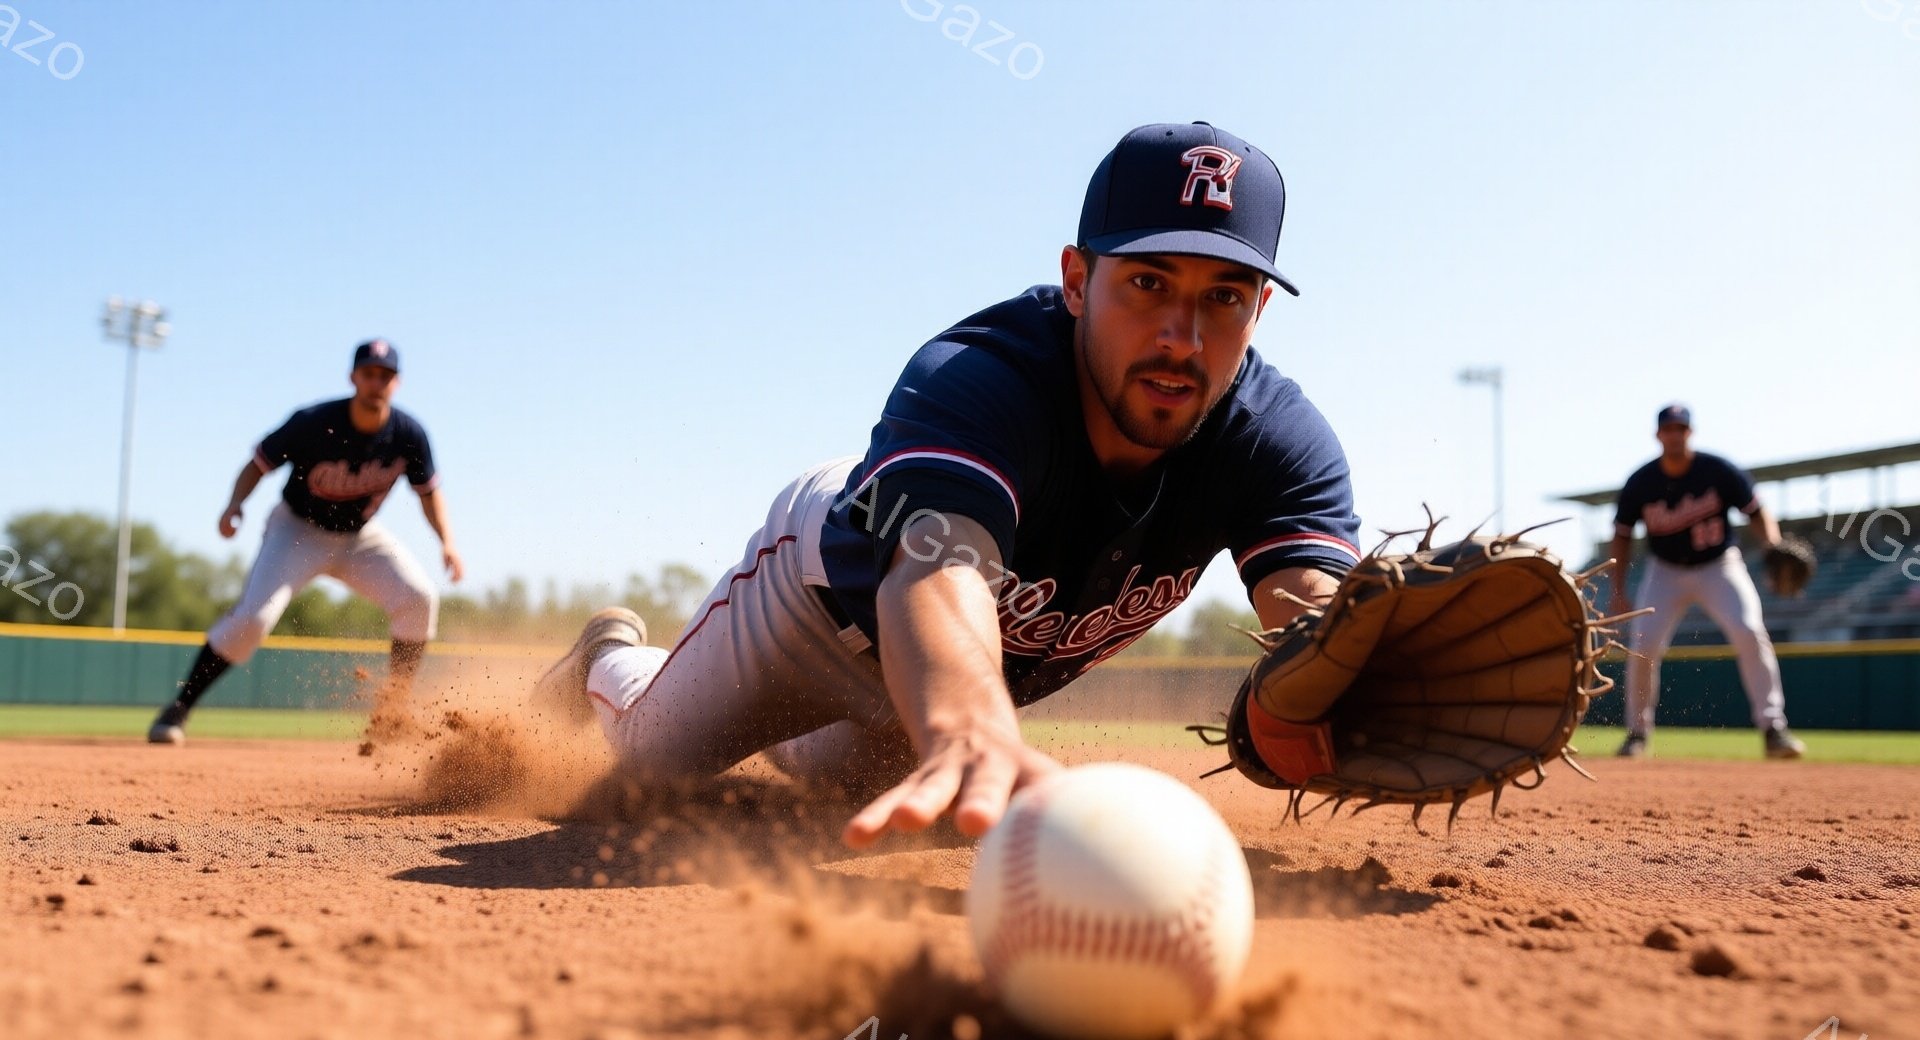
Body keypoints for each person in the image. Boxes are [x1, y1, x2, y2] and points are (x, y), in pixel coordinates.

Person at [533, 122, 1361, 846]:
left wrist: (1361, 671)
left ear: (1259, 311)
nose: (1183, 337)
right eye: (1148, 283)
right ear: (1077, 281)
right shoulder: (982, 379)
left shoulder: (1275, 441)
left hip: (933, 686)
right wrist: (969, 719)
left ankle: (808, 729)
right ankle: (609, 657)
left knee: (853, 799)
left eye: (1224, 295)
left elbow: (1313, 605)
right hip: (820, 605)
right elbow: (939, 564)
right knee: (650, 771)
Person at [146, 339, 464, 745]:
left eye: (385, 376)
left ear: (396, 382)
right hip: (297, 532)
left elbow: (428, 492)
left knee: (419, 599)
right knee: (252, 620)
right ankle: (180, 707)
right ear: (354, 377)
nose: (376, 382)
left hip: (359, 537)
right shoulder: (314, 421)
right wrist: (234, 504)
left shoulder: (408, 434)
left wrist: (447, 543)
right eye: (369, 373)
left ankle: (393, 711)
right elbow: (257, 464)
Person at [1608, 404, 1805, 759]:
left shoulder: (1718, 470)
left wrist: (1772, 544)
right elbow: (1620, 535)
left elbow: (1757, 512)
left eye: (1681, 428)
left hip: (1719, 566)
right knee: (1644, 643)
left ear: (1690, 432)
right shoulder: (1642, 481)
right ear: (1658, 435)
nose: (1675, 434)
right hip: (1664, 570)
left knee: (1748, 630)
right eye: (1669, 429)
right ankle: (1637, 733)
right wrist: (1618, 589)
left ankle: (1774, 728)